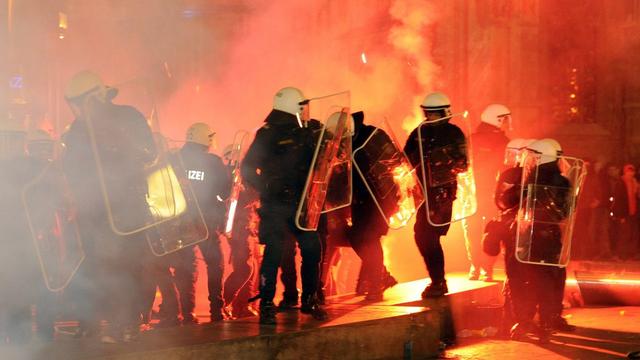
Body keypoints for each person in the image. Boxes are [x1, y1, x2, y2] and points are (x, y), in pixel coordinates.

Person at [62, 70, 157, 342]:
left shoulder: (128, 117)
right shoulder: (79, 129)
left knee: (127, 264)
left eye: (79, 103)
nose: (77, 110)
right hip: (94, 209)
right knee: (94, 265)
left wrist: (119, 148)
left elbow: (149, 152)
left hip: (127, 204)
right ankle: (91, 323)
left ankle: (125, 325)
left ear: (93, 98)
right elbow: (72, 167)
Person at [241, 87, 327, 324]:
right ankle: (267, 304)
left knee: (312, 249)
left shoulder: (309, 130)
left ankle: (310, 299)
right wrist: (267, 186)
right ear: (293, 106)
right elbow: (247, 168)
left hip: (302, 202)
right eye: (302, 105)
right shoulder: (267, 134)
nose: (306, 109)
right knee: (274, 252)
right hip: (275, 205)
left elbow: (326, 157)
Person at [509, 139, 576, 341]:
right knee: (547, 280)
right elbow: (565, 212)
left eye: (535, 155)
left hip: (534, 236)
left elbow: (524, 205)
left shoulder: (535, 178)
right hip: (548, 236)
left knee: (531, 279)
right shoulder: (560, 180)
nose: (531, 159)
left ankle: (530, 321)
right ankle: (545, 320)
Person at [403, 91, 469, 298]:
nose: (429, 118)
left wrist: (439, 160)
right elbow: (405, 158)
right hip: (422, 193)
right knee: (423, 236)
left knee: (428, 236)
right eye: (427, 114)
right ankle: (437, 281)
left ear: (444, 112)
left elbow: (463, 164)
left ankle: (438, 282)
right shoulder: (419, 132)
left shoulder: (455, 134)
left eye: (433, 114)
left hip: (442, 195)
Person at [172, 122, 230, 323]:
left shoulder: (173, 159)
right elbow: (225, 193)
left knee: (185, 267)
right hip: (206, 222)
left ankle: (186, 313)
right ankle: (216, 311)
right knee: (215, 264)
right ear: (207, 139)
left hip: (178, 222)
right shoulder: (213, 162)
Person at [347, 111, 397, 300]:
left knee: (369, 239)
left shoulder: (372, 136)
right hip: (360, 200)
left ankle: (376, 284)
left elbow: (392, 160)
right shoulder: (347, 141)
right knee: (356, 237)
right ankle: (381, 275)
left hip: (380, 199)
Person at [463, 104, 510, 281]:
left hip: (473, 194)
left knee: (472, 231)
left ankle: (476, 266)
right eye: (504, 120)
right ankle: (485, 267)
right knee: (491, 231)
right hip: (491, 194)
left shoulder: (472, 139)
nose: (506, 124)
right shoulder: (503, 142)